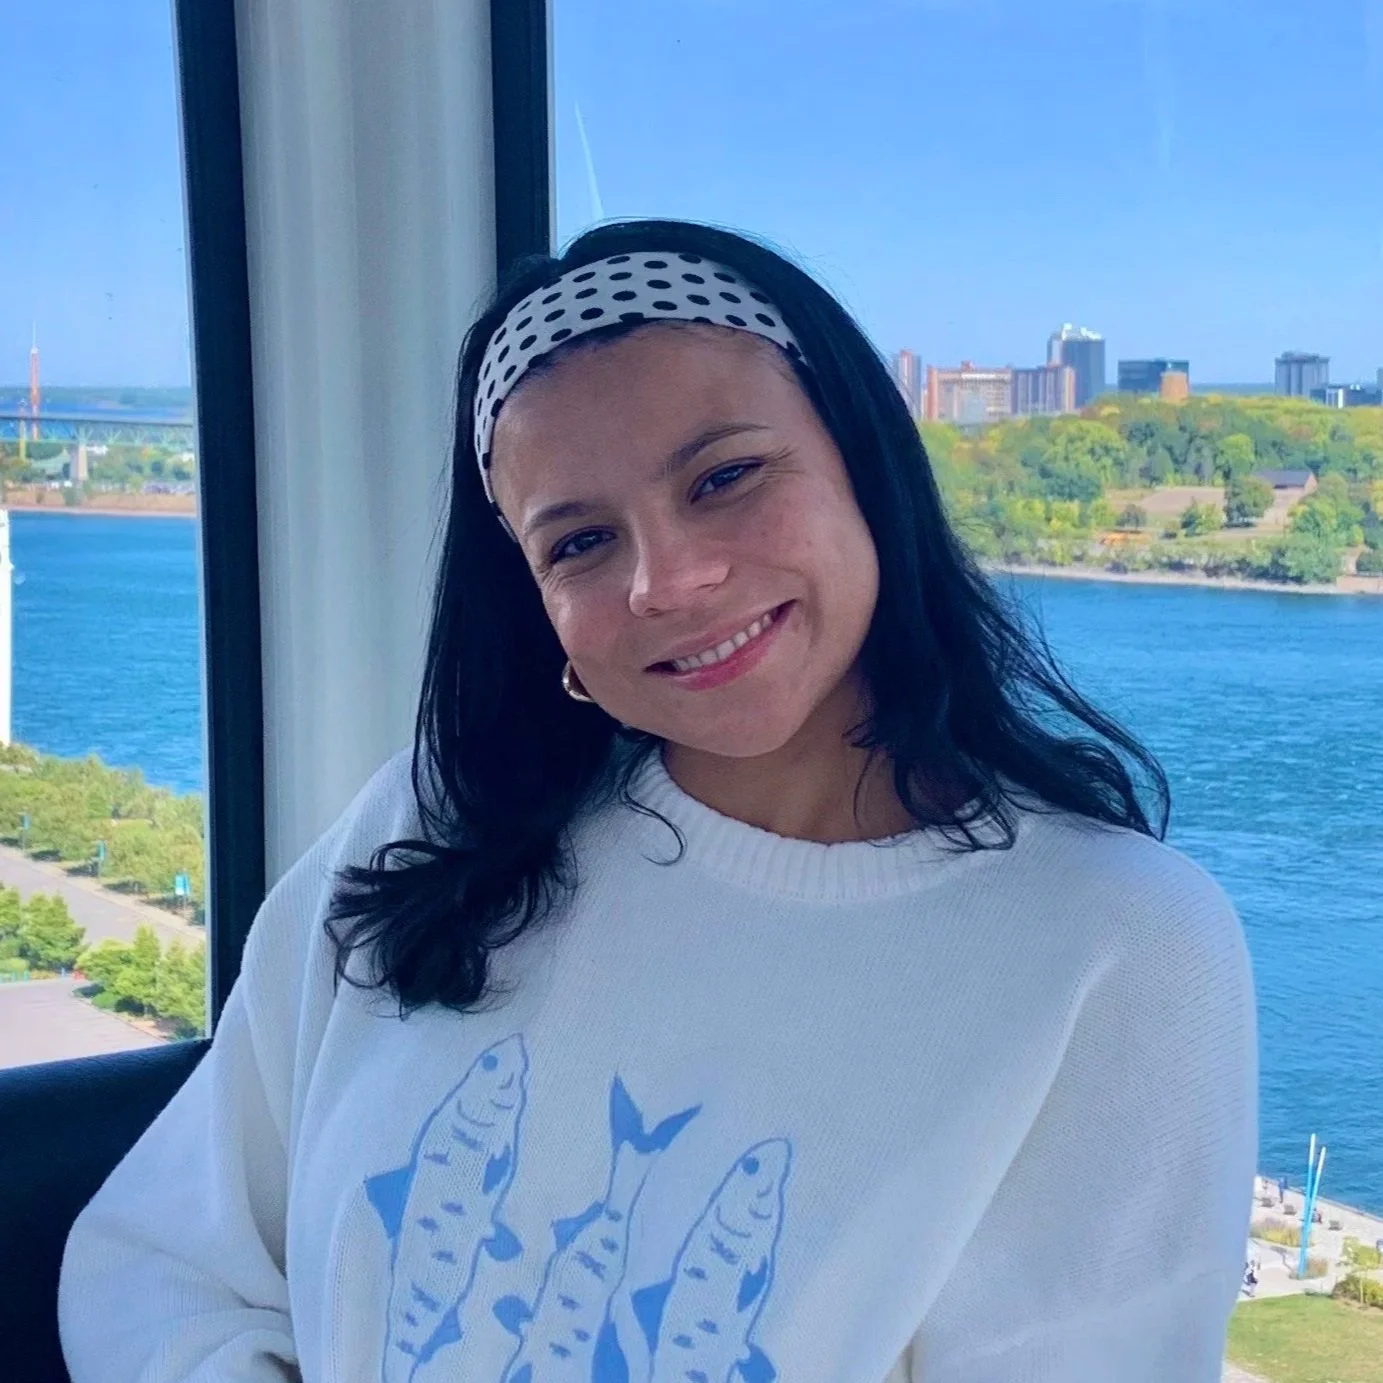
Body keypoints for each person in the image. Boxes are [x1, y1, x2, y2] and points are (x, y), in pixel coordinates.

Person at [57, 219, 1258, 1382]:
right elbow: (162, 1267)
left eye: (725, 477)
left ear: (867, 466)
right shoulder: (436, 823)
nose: (667, 580)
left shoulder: (1114, 942)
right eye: (578, 543)